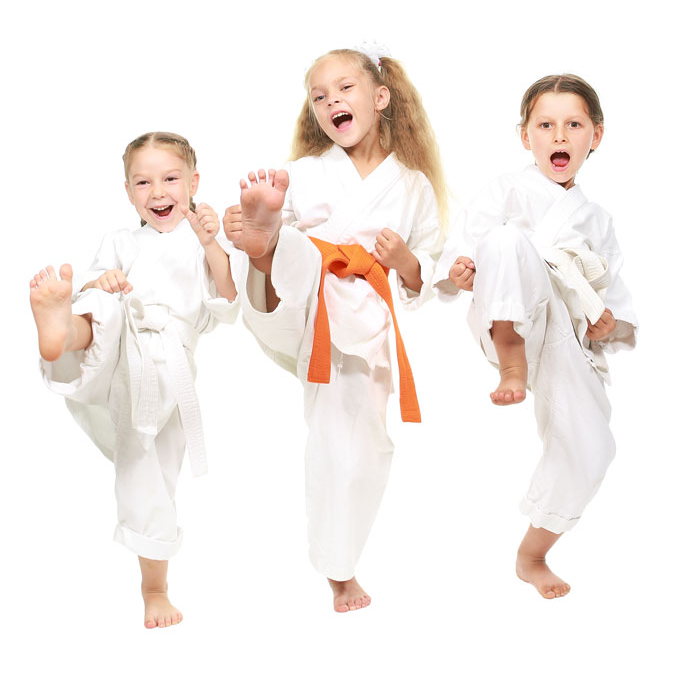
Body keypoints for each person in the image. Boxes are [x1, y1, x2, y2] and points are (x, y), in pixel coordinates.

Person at [223, 46, 447, 612]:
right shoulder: (302, 174)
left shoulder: (414, 186)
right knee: (300, 250)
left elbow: (427, 269)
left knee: (358, 450)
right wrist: (252, 231)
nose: (330, 102)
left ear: (380, 97)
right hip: (300, 304)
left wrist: (405, 263)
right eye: (319, 96)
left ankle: (339, 566)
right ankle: (266, 240)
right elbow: (281, 252)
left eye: (344, 89)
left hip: (363, 328)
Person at [434, 75, 637, 598]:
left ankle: (533, 554)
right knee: (504, 239)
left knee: (595, 447)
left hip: (565, 332)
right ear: (525, 136)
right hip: (508, 315)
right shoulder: (506, 189)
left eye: (573, 125)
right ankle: (512, 366)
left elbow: (614, 295)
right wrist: (460, 268)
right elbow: (465, 243)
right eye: (545, 125)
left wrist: (610, 323)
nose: (559, 135)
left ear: (596, 135)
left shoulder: (598, 219)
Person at [29, 132, 239, 627]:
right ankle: (61, 330)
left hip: (168, 368)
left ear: (194, 183)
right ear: (128, 191)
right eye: (143, 183)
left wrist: (211, 243)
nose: (158, 192)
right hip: (117, 345)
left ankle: (155, 588)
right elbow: (93, 282)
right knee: (103, 302)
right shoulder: (120, 241)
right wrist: (98, 282)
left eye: (170, 179)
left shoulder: (205, 241)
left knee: (149, 477)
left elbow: (228, 302)